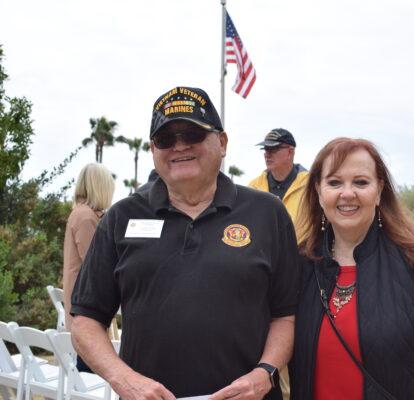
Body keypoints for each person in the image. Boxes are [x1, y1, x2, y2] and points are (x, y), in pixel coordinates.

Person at [70, 86, 300, 400]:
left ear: (222, 142)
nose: (179, 146)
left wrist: (265, 373)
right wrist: (123, 379)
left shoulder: (267, 213)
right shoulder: (121, 217)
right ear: (153, 149)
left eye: (192, 134)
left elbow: (286, 315)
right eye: (166, 139)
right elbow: (85, 320)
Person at [289, 138, 414, 400]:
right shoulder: (300, 263)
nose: (347, 193)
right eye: (334, 182)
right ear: (319, 192)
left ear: (379, 191)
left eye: (361, 182)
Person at [62, 163, 115, 372]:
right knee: (90, 366)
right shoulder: (86, 217)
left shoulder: (81, 213)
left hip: (80, 300)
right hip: (87, 303)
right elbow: (96, 261)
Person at [248, 129, 308, 225]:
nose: (267, 154)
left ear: (290, 152)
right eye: (265, 149)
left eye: (273, 149)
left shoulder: (310, 185)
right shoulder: (253, 188)